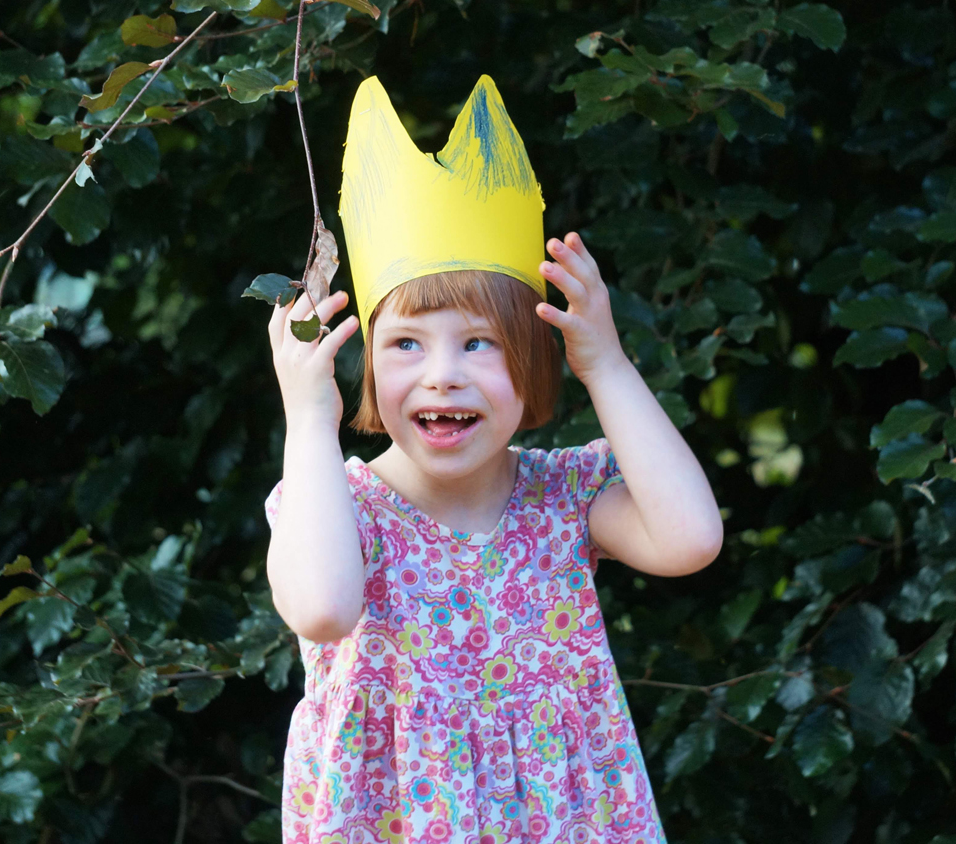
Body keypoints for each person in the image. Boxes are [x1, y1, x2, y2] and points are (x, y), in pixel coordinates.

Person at [262, 75, 723, 844]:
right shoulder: (335, 509)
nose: (442, 374)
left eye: (478, 341)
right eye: (406, 344)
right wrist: (309, 418)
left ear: (534, 357)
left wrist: (606, 364)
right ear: (365, 361)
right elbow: (322, 608)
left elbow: (691, 538)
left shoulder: (562, 498)